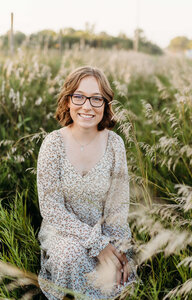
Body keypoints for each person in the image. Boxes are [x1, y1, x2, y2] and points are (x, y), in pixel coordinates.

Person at [36, 66, 138, 300]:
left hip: (104, 233)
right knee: (71, 255)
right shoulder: (53, 144)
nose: (87, 106)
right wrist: (96, 243)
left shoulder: (114, 145)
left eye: (96, 99)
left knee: (112, 268)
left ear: (105, 104)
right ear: (68, 100)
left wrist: (114, 248)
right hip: (63, 233)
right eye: (79, 96)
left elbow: (117, 209)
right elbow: (51, 209)